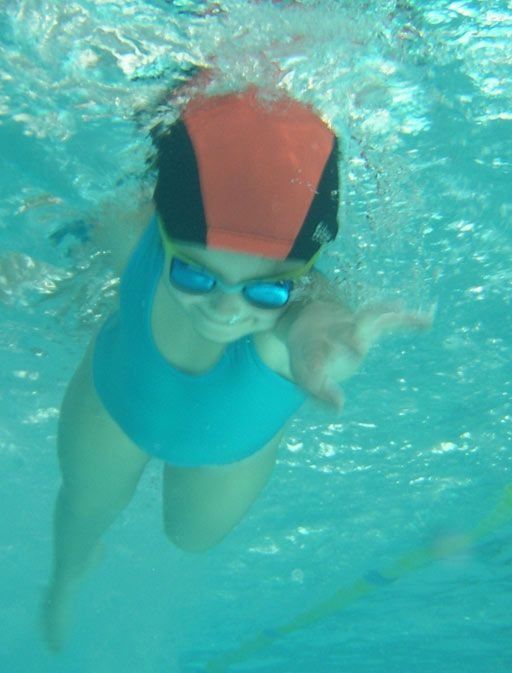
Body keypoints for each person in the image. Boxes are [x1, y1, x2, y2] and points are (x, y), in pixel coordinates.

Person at [38, 86, 431, 650]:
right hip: (115, 401)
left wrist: (320, 338)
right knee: (83, 508)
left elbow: (314, 316)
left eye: (265, 290)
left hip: (226, 446)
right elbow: (83, 241)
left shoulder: (298, 315)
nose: (227, 310)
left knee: (191, 536)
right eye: (196, 275)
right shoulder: (136, 230)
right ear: (164, 238)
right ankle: (65, 583)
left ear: (297, 277)